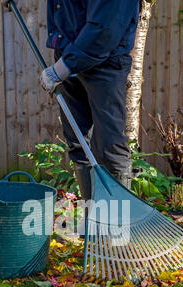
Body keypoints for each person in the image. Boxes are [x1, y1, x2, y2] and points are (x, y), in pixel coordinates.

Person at [40, 0, 141, 200]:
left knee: (109, 147)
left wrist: (64, 67)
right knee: (78, 144)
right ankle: (94, 219)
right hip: (68, 53)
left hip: (105, 61)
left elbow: (106, 27)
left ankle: (116, 226)